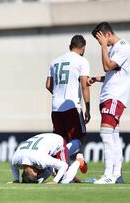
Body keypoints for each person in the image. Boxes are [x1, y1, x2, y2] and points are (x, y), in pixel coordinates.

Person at [89, 22, 130, 184]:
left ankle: (108, 175)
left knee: (106, 134)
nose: (101, 43)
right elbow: (112, 74)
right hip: (109, 97)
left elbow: (107, 66)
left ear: (106, 34)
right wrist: (96, 79)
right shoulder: (116, 49)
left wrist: (103, 47)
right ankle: (116, 174)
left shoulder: (122, 47)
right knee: (113, 136)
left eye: (101, 39)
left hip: (114, 97)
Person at [45, 35, 90, 172]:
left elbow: (48, 85)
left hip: (55, 107)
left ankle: (64, 171)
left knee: (61, 140)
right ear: (82, 48)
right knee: (79, 138)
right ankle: (58, 159)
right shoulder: (81, 61)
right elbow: (84, 86)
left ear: (70, 46)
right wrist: (88, 108)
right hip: (72, 107)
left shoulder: (55, 61)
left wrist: (57, 94)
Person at [8, 133, 86, 184]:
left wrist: (54, 181)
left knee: (64, 180)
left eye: (34, 173)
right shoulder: (15, 160)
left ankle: (79, 159)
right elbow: (12, 164)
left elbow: (63, 165)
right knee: (39, 180)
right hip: (43, 140)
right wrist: (16, 180)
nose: (36, 173)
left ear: (24, 171)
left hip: (57, 142)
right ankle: (53, 170)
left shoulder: (40, 159)